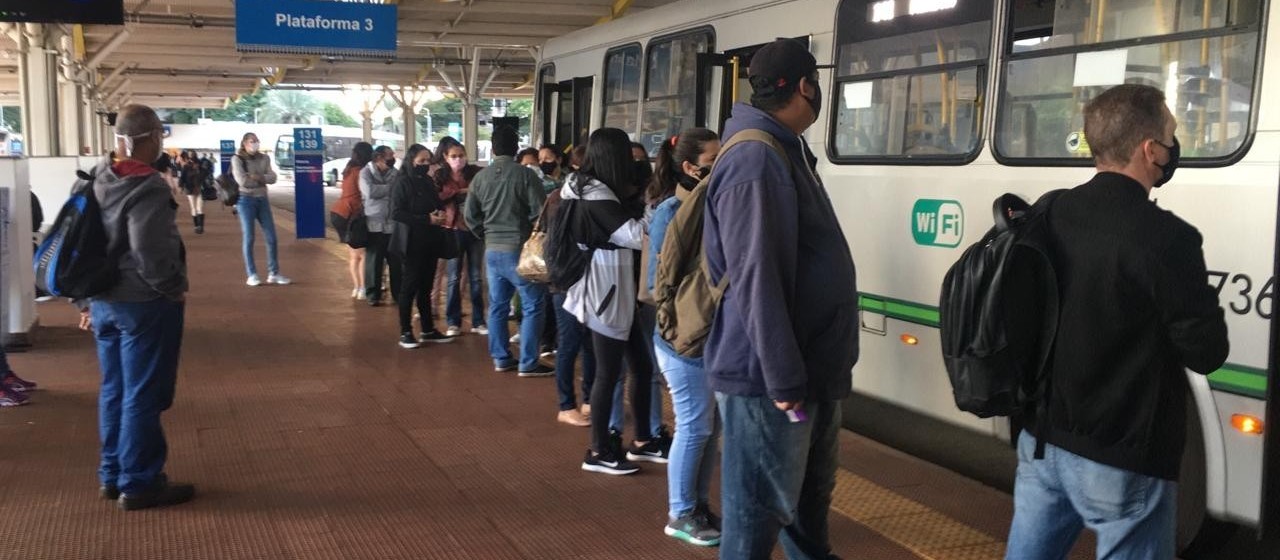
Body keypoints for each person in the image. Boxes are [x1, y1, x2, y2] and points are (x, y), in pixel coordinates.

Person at [1004, 84, 1229, 559]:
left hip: (1042, 443)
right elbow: (1207, 352)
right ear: (1150, 150)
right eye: (1169, 137)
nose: (1172, 148)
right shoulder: (1168, 239)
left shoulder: (1048, 212)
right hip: (1123, 456)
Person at [703, 38, 859, 559]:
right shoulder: (756, 159)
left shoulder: (781, 148)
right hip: (768, 383)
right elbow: (756, 278)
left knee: (806, 513)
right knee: (755, 520)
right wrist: (784, 377)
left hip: (801, 370)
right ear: (806, 87)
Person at [82, 104, 194, 510]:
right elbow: (149, 250)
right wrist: (172, 288)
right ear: (150, 138)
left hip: (104, 300)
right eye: (160, 136)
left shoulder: (98, 175)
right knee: (143, 394)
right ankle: (140, 482)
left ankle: (111, 474)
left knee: (114, 389)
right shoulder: (147, 185)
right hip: (143, 303)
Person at [561, 127, 657, 476]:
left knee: (641, 366)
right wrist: (651, 205)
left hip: (613, 287)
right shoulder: (593, 193)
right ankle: (599, 450)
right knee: (608, 372)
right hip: (604, 288)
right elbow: (634, 236)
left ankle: (645, 439)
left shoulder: (587, 187)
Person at [647, 128, 722, 546]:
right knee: (694, 426)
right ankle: (680, 512)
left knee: (707, 428)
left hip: (703, 334)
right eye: (713, 161)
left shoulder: (711, 204)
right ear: (692, 167)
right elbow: (664, 281)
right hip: (683, 337)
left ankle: (696, 504)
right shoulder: (672, 210)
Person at [464, 125, 553, 377]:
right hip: (519, 249)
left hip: (491, 250)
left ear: (492, 149)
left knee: (498, 306)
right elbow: (540, 212)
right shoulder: (526, 176)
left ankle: (501, 358)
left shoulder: (480, 178)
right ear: (516, 149)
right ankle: (528, 362)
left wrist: (485, 234)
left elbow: (470, 216)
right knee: (534, 304)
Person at [390, 144, 455, 349]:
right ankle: (405, 330)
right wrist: (425, 218)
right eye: (421, 161)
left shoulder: (427, 181)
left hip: (430, 239)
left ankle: (428, 329)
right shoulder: (402, 183)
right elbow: (396, 213)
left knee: (426, 285)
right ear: (411, 161)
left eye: (428, 161)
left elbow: (437, 202)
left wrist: (439, 213)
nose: (426, 165)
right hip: (411, 241)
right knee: (409, 285)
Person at [435, 140, 486, 337]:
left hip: (474, 230)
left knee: (475, 276)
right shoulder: (441, 176)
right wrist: (460, 192)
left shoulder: (475, 172)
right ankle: (453, 321)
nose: (459, 160)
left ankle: (478, 320)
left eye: (461, 155)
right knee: (453, 276)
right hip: (452, 228)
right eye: (454, 156)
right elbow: (439, 197)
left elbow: (481, 192)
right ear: (446, 158)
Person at [232, 133, 291, 287]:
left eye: (257, 141)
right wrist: (261, 179)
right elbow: (242, 181)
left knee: (272, 237)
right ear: (244, 143)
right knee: (249, 237)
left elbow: (273, 177)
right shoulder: (237, 159)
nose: (255, 144)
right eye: (252, 141)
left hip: (262, 200)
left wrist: (257, 177)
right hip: (245, 200)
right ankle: (252, 274)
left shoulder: (264, 158)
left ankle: (274, 273)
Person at [330, 142, 373, 299]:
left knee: (354, 255)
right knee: (363, 255)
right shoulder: (361, 171)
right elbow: (366, 193)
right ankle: (362, 288)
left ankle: (356, 287)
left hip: (338, 213)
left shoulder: (348, 169)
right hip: (351, 215)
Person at [360, 146, 401, 306]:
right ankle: (373, 294)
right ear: (378, 157)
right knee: (374, 261)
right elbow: (369, 191)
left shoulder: (395, 173)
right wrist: (389, 189)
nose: (393, 158)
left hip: (391, 223)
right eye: (390, 155)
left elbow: (397, 191)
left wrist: (382, 190)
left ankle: (398, 294)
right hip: (373, 223)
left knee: (395, 262)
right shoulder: (365, 172)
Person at [177, 151, 205, 234]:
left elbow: (205, 174)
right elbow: (182, 177)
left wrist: (198, 170)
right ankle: (196, 226)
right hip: (190, 188)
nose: (191, 157)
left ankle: (200, 226)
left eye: (192, 155)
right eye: (190, 155)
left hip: (199, 188)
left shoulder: (200, 165)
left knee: (200, 208)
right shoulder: (186, 166)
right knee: (193, 208)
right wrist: (181, 186)